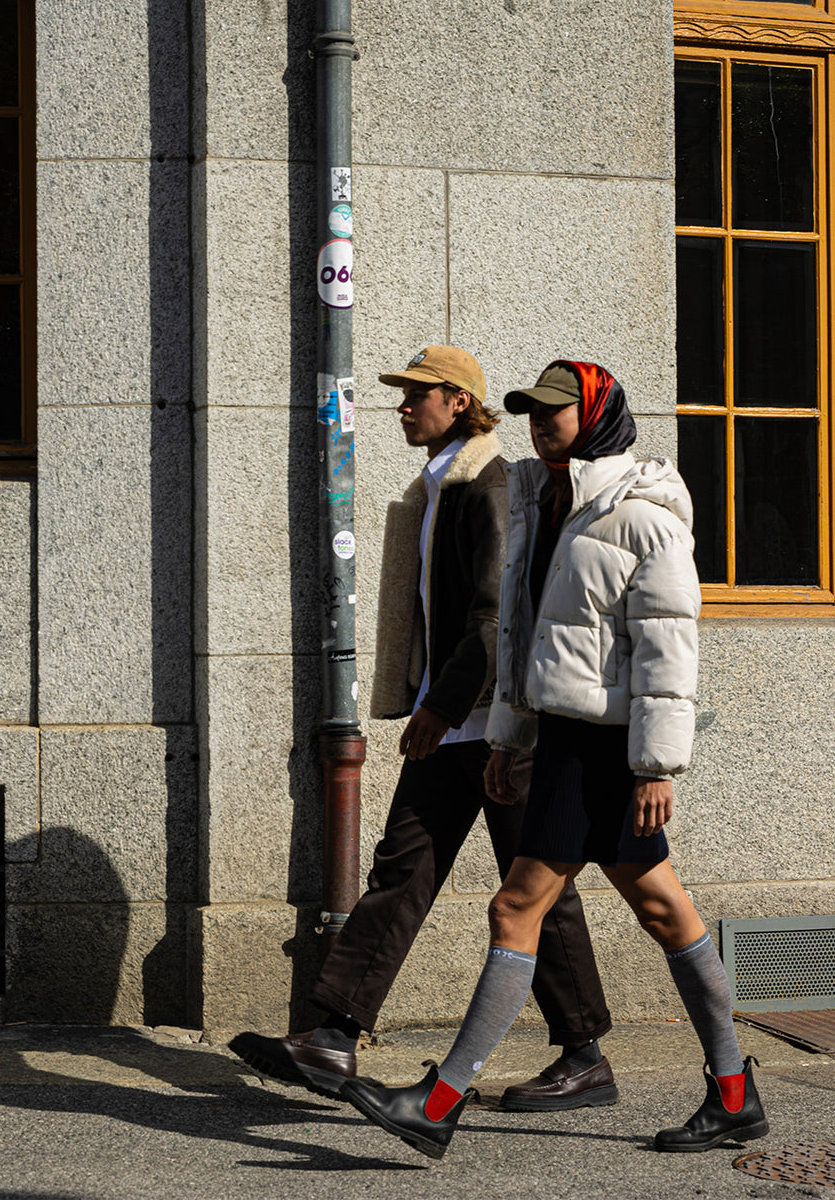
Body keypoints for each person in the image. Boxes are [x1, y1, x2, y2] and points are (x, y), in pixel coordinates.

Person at [342, 360, 769, 1160]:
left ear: (597, 415)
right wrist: (509, 737)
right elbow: (520, 635)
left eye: (556, 412)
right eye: (532, 413)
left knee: (517, 908)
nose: (541, 424)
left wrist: (653, 767)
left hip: (608, 748)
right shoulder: (544, 505)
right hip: (561, 739)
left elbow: (668, 652)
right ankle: (734, 1095)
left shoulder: (643, 515)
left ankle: (437, 1102)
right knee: (662, 910)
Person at [230, 346, 615, 1110]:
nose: (404, 406)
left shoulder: (488, 485)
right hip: (458, 721)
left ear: (459, 402)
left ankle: (583, 1053)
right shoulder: (440, 484)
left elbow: (490, 614)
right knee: (402, 867)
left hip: (499, 722)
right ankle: (333, 1036)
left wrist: (442, 705)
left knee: (534, 890)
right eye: (403, 395)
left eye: (418, 395)